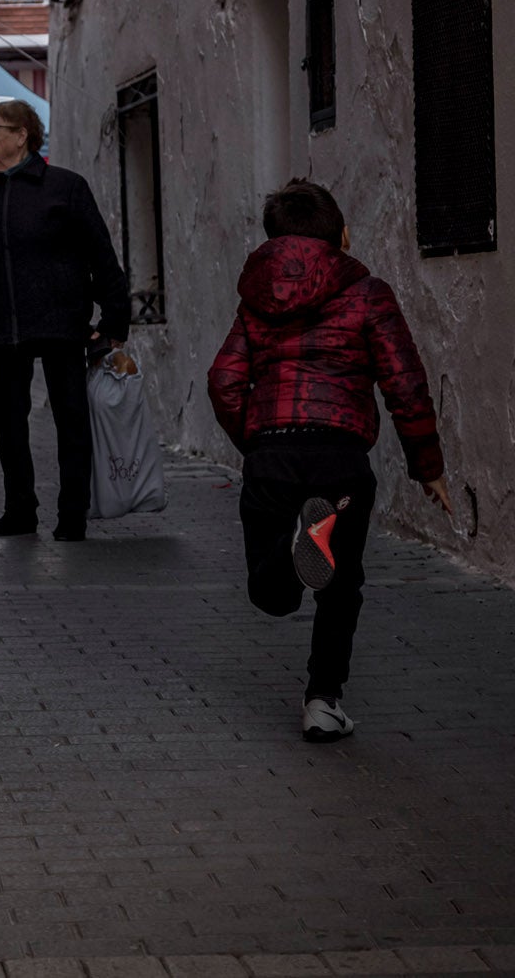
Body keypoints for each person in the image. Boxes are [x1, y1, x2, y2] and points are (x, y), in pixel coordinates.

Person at [206, 179, 452, 743]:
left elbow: (224, 379)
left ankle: (289, 565)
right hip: (339, 457)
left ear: (272, 242)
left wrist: (257, 439)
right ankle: (323, 701)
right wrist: (428, 465)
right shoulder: (368, 294)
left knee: (269, 595)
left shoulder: (254, 300)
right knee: (341, 586)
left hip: (273, 450)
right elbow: (404, 383)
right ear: (341, 234)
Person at [0, 100, 129, 541]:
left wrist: (113, 321)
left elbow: (101, 255)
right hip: (3, 324)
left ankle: (72, 512)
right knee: (8, 420)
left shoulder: (65, 188)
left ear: (22, 136)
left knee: (71, 419)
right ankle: (20, 510)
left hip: (60, 320)